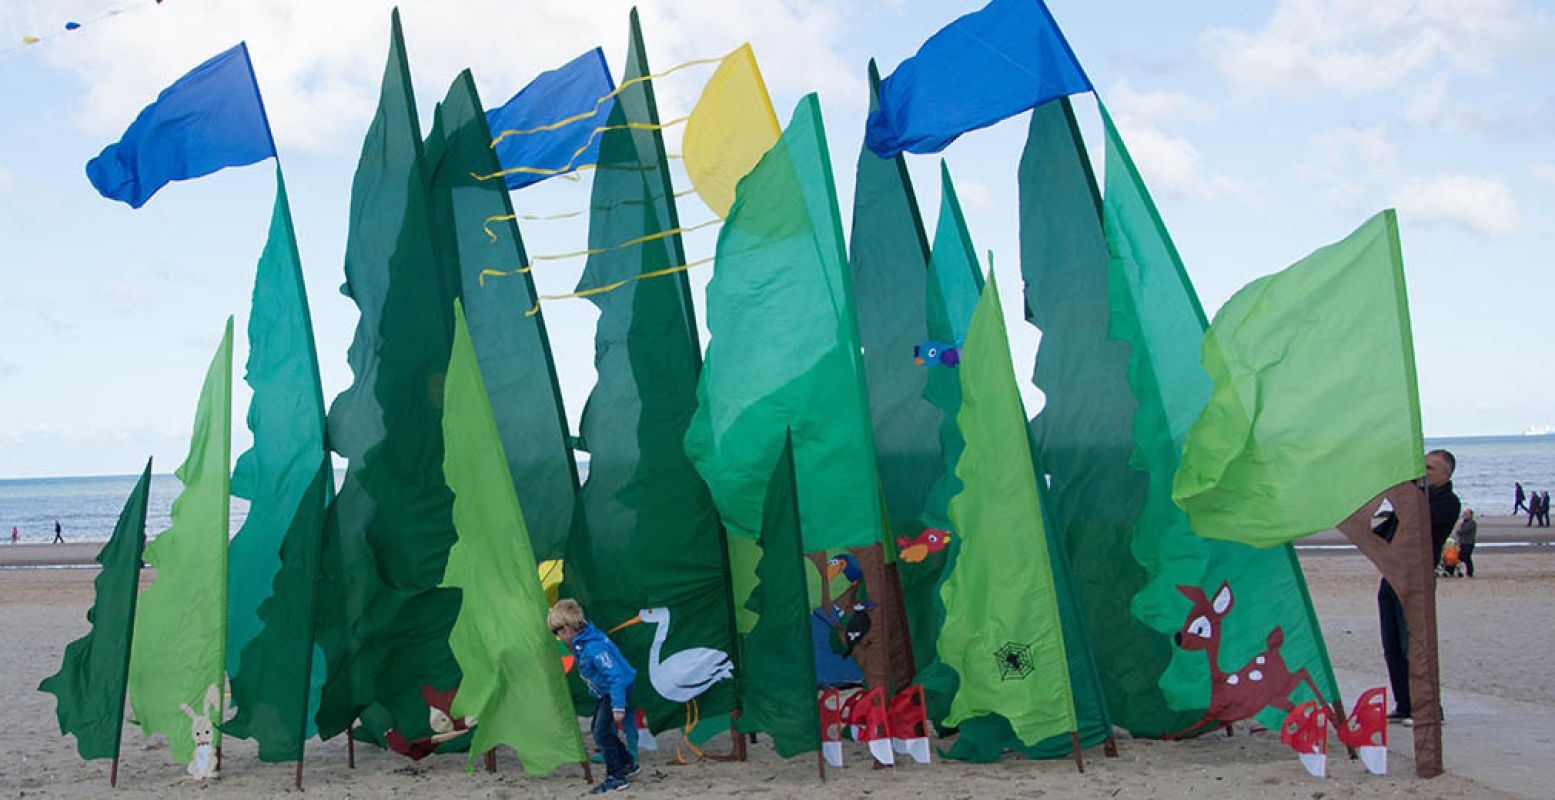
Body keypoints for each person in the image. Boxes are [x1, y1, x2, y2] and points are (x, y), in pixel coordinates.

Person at [1377, 448, 1460, 725]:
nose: (1423, 473)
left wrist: (1404, 487)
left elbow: (1416, 518)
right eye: (1421, 466)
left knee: (1412, 644)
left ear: (1446, 474)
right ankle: (1405, 703)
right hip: (1392, 574)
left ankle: (1427, 708)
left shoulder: (1447, 502)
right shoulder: (1416, 497)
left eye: (1430, 469)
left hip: (1416, 578)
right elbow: (1387, 528)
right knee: (1391, 644)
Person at [549, 598, 639, 793]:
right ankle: (627, 763)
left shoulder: (593, 647)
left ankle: (616, 776)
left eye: (563, 631)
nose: (562, 637)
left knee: (601, 733)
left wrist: (618, 705)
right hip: (606, 691)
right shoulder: (582, 642)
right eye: (558, 633)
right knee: (599, 729)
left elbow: (615, 675)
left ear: (574, 627)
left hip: (615, 689)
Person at [1456, 509, 1477, 578]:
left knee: (1466, 557)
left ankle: (1469, 573)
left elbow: (1464, 531)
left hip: (1469, 543)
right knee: (1459, 557)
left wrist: (1459, 530)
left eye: (1466, 514)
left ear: (1471, 515)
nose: (1464, 515)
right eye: (1464, 514)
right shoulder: (1464, 523)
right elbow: (1459, 532)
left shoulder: (1472, 523)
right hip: (1462, 542)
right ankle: (1456, 571)